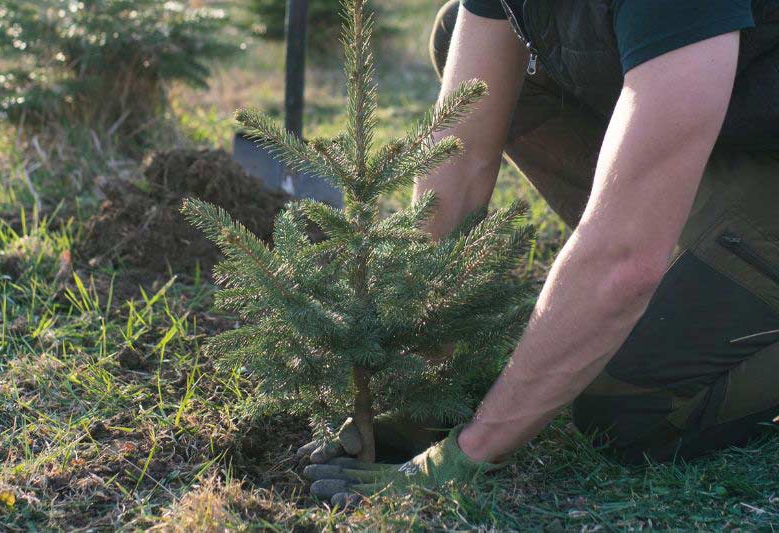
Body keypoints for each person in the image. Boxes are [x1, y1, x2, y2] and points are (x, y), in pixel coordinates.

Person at [302, 0, 779, 505]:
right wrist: (425, 375)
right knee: (462, 37)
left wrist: (471, 451)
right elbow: (458, 162)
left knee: (633, 406)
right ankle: (689, 243)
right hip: (725, 122)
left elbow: (624, 262)